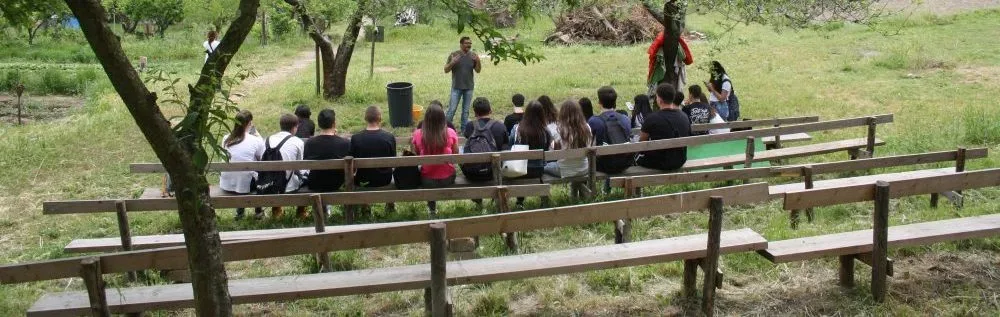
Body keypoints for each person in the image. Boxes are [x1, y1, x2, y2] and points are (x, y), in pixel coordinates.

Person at [412, 104, 459, 216]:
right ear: (443, 118)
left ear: (426, 119)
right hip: (448, 178)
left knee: (426, 175)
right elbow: (456, 154)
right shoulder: (451, 132)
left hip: (427, 179)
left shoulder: (418, 134)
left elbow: (416, 155)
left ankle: (432, 209)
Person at [302, 109, 351, 218]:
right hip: (338, 183)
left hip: (315, 182)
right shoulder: (345, 143)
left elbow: (305, 165)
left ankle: (324, 209)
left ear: (319, 124)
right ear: (334, 124)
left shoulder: (310, 143)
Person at [219, 110, 264, 220]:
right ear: (249, 124)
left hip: (226, 182)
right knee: (259, 176)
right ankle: (258, 212)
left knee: (245, 173)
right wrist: (259, 137)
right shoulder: (255, 140)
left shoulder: (226, 138)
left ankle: (240, 213)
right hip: (244, 183)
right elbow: (262, 158)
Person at [636, 83, 692, 171]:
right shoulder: (684, 116)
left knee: (635, 158)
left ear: (660, 100)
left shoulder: (652, 118)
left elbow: (642, 143)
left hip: (658, 163)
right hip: (680, 160)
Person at [509, 101, 552, 209]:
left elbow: (511, 145)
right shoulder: (545, 131)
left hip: (520, 169)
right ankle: (543, 200)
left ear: (526, 113)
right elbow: (546, 149)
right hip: (539, 169)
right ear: (542, 114)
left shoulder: (517, 129)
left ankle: (520, 201)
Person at [265, 114, 307, 217]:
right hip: (288, 186)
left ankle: (277, 210)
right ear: (294, 127)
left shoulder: (267, 139)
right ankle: (301, 211)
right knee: (305, 175)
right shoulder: (298, 142)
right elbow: (299, 168)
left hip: (269, 183)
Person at [588, 86, 634, 174]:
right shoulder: (625, 119)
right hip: (624, 163)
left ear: (599, 102)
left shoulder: (594, 121)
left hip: (604, 165)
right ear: (615, 102)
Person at [351, 106, 397, 188]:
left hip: (363, 179)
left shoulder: (355, 138)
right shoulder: (389, 137)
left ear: (365, 118)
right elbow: (393, 162)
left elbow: (353, 167)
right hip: (384, 180)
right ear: (380, 118)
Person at [544, 100, 592, 178]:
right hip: (584, 169)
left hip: (564, 170)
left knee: (544, 166)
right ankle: (575, 190)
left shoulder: (559, 130)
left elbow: (553, 153)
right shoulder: (587, 127)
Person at [444, 36, 482, 128]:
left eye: (470, 43)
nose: (468, 45)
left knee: (465, 111)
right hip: (456, 87)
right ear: (461, 44)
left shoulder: (473, 55)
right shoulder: (454, 55)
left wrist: (478, 61)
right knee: (452, 109)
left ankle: (464, 129)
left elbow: (478, 70)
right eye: (466, 43)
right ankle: (445, 128)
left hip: (469, 87)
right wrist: (452, 62)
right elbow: (446, 70)